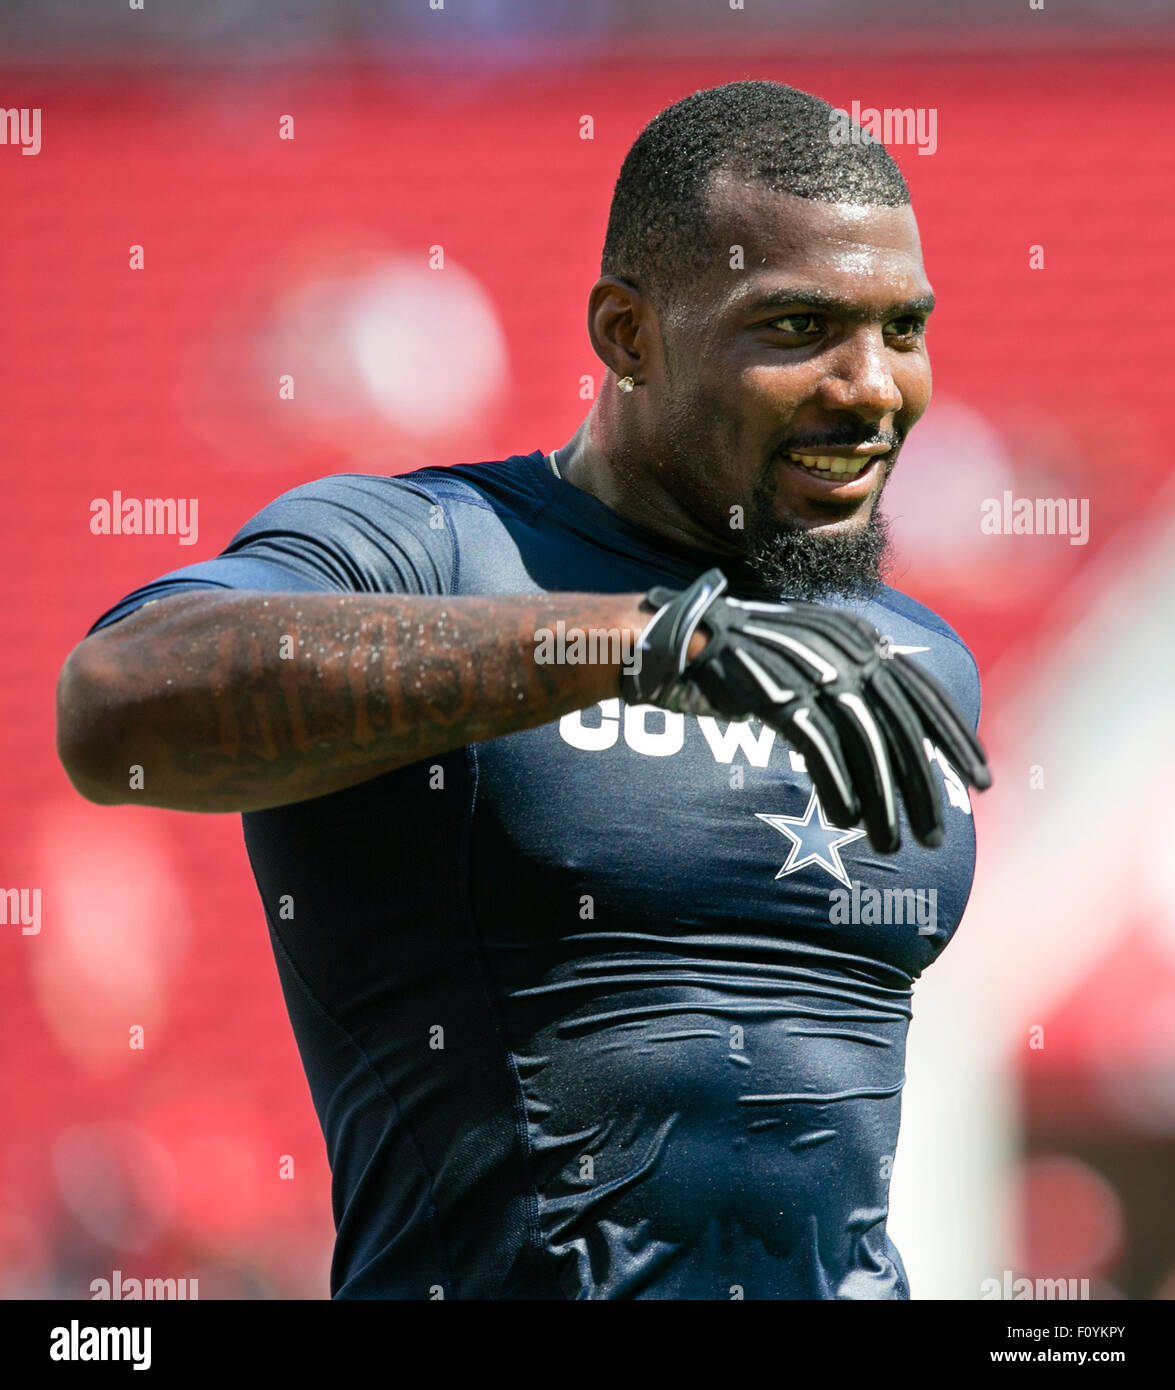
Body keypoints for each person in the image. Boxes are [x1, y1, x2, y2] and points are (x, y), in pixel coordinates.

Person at [55, 80, 990, 1300]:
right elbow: (116, 708)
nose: (871, 386)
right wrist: (639, 645)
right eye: (798, 326)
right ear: (626, 334)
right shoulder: (430, 547)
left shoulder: (910, 656)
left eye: (901, 329)